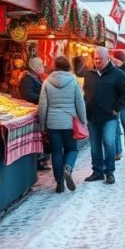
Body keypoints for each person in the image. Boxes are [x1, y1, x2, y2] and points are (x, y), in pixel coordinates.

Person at [38, 56, 87, 193]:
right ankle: (68, 167)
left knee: (56, 152)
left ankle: (59, 182)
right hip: (69, 122)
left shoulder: (47, 82)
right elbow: (80, 102)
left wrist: (42, 124)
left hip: (52, 123)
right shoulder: (73, 80)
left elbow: (42, 105)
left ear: (55, 66)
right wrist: (83, 120)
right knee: (72, 149)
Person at [82, 47, 125, 184]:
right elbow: (86, 92)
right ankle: (97, 171)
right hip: (92, 116)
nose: (97, 61)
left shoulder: (118, 74)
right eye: (95, 58)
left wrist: (116, 108)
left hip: (109, 116)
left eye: (100, 59)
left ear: (108, 58)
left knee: (109, 143)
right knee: (95, 145)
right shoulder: (89, 74)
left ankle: (109, 172)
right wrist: (87, 105)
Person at [20, 57, 49, 170]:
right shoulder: (27, 79)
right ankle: (39, 161)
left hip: (37, 110)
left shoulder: (36, 78)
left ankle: (42, 160)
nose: (42, 68)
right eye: (40, 66)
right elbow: (28, 95)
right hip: (31, 110)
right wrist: (42, 98)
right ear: (35, 68)